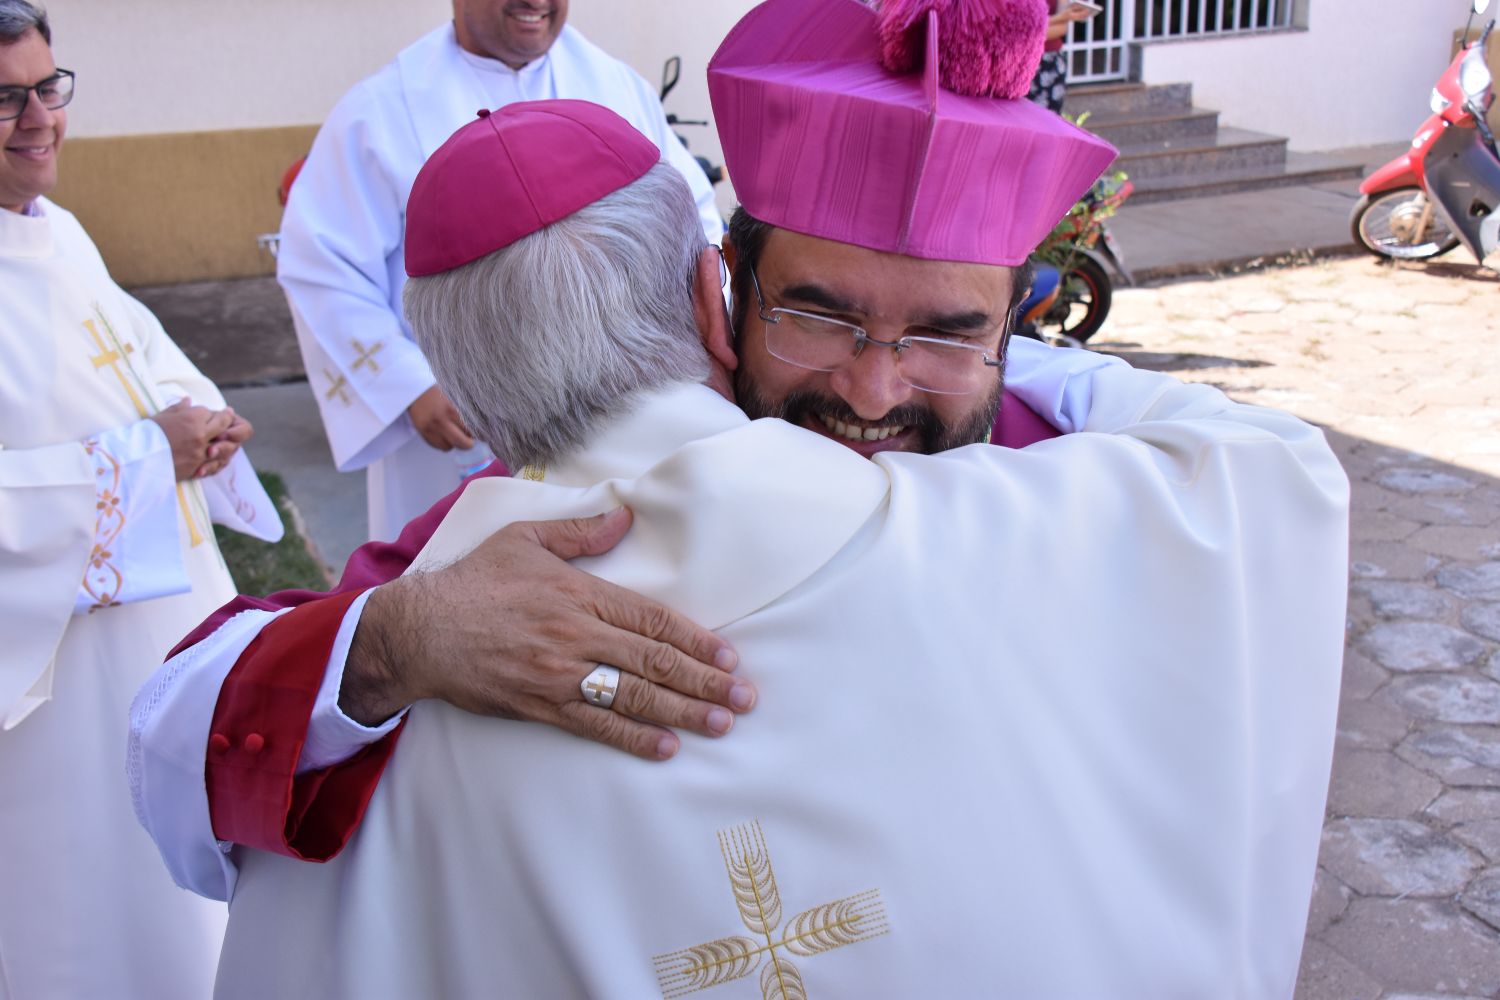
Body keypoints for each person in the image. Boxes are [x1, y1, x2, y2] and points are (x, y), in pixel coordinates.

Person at [140, 2, 1345, 992]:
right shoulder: (526, 552)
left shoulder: (1057, 466)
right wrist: (389, 646)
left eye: (947, 331)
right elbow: (180, 738)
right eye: (819, 313)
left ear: (1015, 335)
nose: (875, 393)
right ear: (722, 300)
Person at [0, 2, 284, 996]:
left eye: (48, 87)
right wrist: (134, 458)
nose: (39, 117)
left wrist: (199, 421)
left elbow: (138, 364)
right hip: (54, 688)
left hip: (153, 640)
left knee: (178, 915)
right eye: (6, 98)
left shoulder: (56, 232)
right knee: (82, 907)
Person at [281, 0, 725, 543]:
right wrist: (406, 385)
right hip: (464, 415)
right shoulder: (379, 112)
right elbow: (321, 264)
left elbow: (692, 219)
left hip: (627, 408)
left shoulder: (615, 85)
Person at [1027, 0, 1100, 114]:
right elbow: (1013, 28)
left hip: (1049, 60)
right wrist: (1059, 18)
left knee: (1049, 118)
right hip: (1020, 60)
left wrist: (1027, 32)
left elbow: (1061, 28)